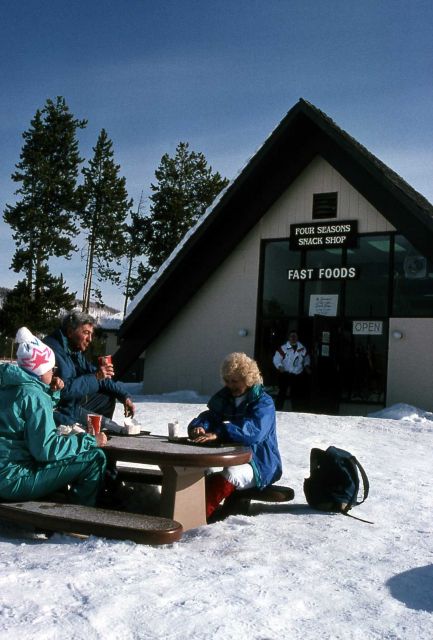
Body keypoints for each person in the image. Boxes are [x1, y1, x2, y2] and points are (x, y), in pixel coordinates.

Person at [0, 327, 107, 506]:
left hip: (5, 471)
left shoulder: (9, 386)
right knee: (95, 458)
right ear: (40, 370)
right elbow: (46, 450)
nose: (54, 373)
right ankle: (76, 523)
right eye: (52, 369)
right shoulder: (34, 396)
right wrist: (90, 440)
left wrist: (52, 392)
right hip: (12, 479)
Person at [188, 352, 282, 521]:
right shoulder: (227, 398)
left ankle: (194, 519)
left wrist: (220, 432)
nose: (231, 385)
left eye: (235, 381)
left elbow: (254, 431)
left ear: (247, 379)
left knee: (232, 473)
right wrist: (200, 427)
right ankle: (188, 513)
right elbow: (211, 416)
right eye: (228, 381)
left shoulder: (263, 402)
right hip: (234, 456)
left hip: (259, 462)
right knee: (197, 470)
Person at [44, 311, 135, 428]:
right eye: (86, 333)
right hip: (59, 410)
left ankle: (99, 433)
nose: (90, 339)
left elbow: (93, 373)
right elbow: (63, 391)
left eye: (91, 334)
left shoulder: (74, 350)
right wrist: (96, 377)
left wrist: (124, 396)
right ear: (70, 332)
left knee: (107, 397)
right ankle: (91, 436)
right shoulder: (54, 351)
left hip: (72, 405)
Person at [272, 330, 311, 411]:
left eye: (295, 336)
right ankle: (277, 410)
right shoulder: (283, 348)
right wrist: (279, 366)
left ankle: (296, 411)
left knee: (296, 394)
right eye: (291, 336)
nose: (293, 338)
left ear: (297, 337)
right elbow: (276, 359)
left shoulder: (302, 348)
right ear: (289, 338)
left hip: (297, 375)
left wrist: (307, 366)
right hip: (285, 374)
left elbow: (306, 358)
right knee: (282, 392)